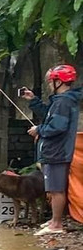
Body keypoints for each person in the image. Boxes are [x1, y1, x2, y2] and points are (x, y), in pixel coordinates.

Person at [23, 64, 81, 235]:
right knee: (53, 188)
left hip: (57, 152)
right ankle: (54, 221)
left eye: (52, 80)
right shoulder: (61, 101)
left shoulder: (63, 101)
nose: (49, 84)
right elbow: (49, 115)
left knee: (56, 189)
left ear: (59, 81)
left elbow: (57, 126)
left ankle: (56, 225)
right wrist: (33, 100)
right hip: (55, 151)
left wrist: (38, 130)